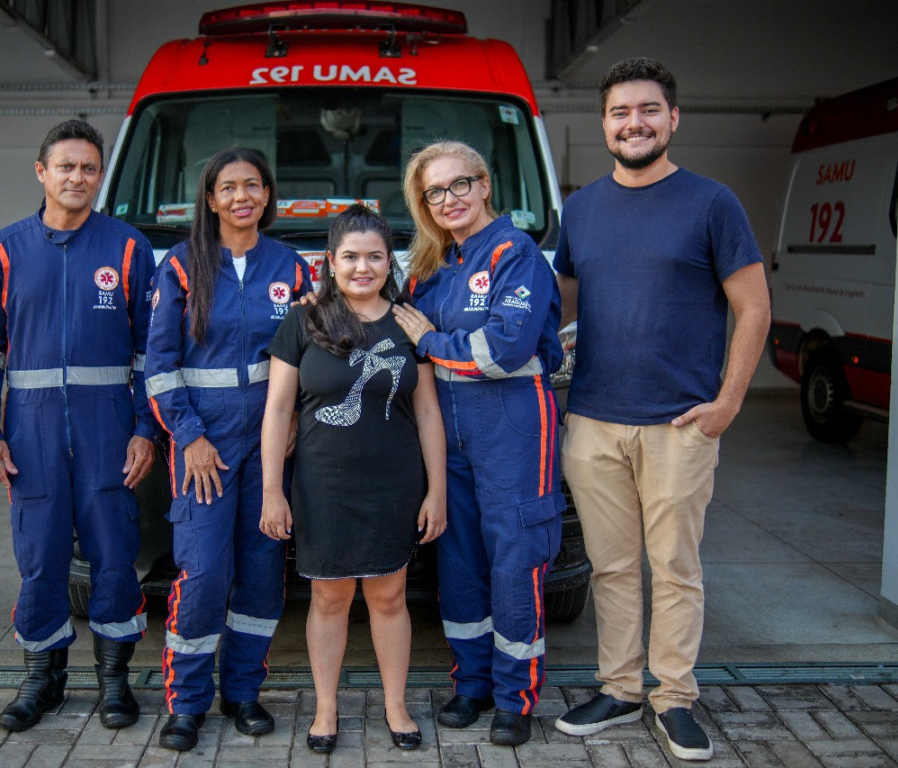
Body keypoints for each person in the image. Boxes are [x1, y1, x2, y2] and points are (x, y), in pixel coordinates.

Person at [551, 58, 770, 762]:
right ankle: (618, 687)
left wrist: (728, 403)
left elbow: (754, 307)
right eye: (620, 112)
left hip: (680, 423)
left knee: (673, 566)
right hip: (592, 421)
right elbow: (561, 309)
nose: (633, 123)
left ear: (673, 119)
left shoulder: (712, 203)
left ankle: (674, 697)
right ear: (605, 124)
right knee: (610, 568)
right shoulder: (580, 210)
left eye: (648, 110)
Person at [0, 119, 158, 732]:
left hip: (109, 435)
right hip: (30, 436)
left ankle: (114, 684)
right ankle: (40, 683)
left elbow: (150, 353)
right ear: (41, 172)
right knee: (42, 561)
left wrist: (145, 431)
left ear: (100, 178)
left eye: (89, 169)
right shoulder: (5, 249)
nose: (77, 177)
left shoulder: (129, 248)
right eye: (66, 166)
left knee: (113, 559)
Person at [391, 141, 566, 747]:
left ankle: (515, 698)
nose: (448, 200)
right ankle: (473, 684)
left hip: (513, 426)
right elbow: (394, 328)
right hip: (449, 430)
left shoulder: (517, 254)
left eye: (458, 185)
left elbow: (503, 350)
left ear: (485, 184)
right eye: (433, 193)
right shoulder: (433, 264)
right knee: (460, 560)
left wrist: (435, 342)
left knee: (515, 560)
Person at [260, 204, 446, 753]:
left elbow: (429, 411)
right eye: (350, 257)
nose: (362, 268)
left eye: (374, 257)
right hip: (322, 485)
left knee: (390, 598)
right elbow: (277, 410)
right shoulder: (304, 320)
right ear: (330, 261)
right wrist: (273, 490)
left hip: (393, 483)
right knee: (328, 600)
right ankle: (325, 709)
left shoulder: (411, 322)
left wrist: (437, 490)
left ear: (391, 261)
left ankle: (395, 705)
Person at [145, 147, 313, 752]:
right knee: (206, 574)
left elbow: (306, 356)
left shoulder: (290, 267)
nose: (242, 197)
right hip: (204, 449)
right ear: (211, 199)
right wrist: (187, 437)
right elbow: (159, 368)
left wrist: (295, 416)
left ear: (268, 196)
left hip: (269, 447)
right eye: (229, 187)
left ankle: (242, 693)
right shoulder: (183, 266)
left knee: (264, 573)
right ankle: (186, 703)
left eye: (253, 186)